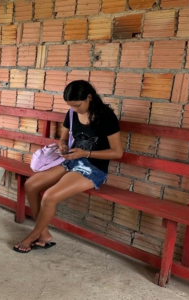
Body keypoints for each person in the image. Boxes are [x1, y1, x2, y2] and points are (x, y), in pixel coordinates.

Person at [13, 80, 123, 253]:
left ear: (89, 97)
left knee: (49, 196)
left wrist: (85, 153)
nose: (75, 109)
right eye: (71, 106)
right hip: (71, 160)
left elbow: (117, 152)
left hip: (92, 168)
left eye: (78, 105)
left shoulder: (106, 117)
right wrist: (63, 145)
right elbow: (63, 139)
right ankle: (44, 234)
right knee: (31, 185)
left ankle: (34, 235)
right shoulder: (71, 114)